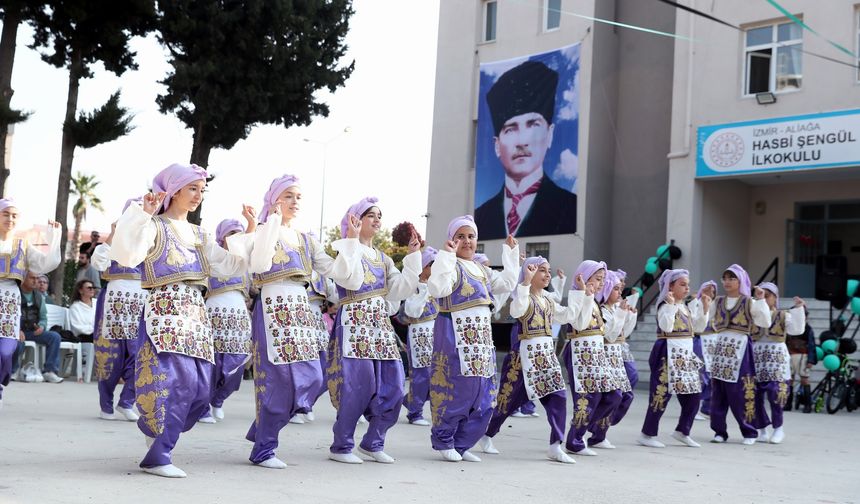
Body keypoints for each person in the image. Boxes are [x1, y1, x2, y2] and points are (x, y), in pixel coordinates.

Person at [109, 163, 247, 478]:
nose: (198, 195)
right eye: (192, 188)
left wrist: (252, 234)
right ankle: (159, 455)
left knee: (199, 389)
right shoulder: (154, 226)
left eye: (201, 190)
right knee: (172, 382)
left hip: (195, 313)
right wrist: (142, 214)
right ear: (174, 191)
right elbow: (127, 256)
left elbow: (230, 265)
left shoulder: (200, 234)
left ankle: (156, 428)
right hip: (163, 309)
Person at [236, 176, 365, 468]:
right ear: (274, 200)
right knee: (277, 382)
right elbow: (258, 266)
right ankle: (264, 449)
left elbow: (339, 273)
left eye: (298, 197)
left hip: (300, 310)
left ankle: (262, 431)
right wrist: (270, 224)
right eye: (288, 196)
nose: (295, 202)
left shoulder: (308, 240)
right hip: (272, 308)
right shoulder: (263, 233)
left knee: (314, 377)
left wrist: (352, 242)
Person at [325, 196, 421, 465]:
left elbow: (399, 289)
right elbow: (347, 278)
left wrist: (413, 257)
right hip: (354, 323)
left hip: (380, 325)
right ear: (355, 220)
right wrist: (352, 242)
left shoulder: (384, 259)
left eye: (379, 215)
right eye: (371, 215)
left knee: (394, 385)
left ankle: (373, 441)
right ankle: (341, 445)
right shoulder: (345, 250)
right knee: (358, 386)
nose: (377, 219)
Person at [426, 215, 518, 462]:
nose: (466, 241)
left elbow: (508, 282)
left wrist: (510, 252)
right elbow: (438, 289)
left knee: (485, 395)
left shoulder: (483, 270)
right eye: (461, 236)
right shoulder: (448, 265)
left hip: (481, 339)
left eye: (471, 236)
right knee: (457, 390)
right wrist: (446, 256)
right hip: (453, 333)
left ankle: (462, 444)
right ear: (452, 240)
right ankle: (444, 439)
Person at [480, 256, 580, 464]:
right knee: (505, 404)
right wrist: (524, 282)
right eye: (541, 270)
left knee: (559, 398)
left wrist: (582, 293)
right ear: (530, 272)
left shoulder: (548, 300)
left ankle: (555, 445)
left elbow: (568, 316)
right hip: (522, 361)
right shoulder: (523, 297)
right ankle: (486, 434)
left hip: (546, 359)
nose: (546, 274)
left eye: (548, 270)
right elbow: (517, 310)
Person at [474, 60, 577, 239]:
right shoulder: (480, 218)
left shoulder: (569, 208)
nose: (522, 141)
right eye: (510, 129)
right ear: (497, 145)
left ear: (550, 134)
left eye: (532, 124)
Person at [638, 269, 710, 448]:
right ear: (670, 286)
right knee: (661, 395)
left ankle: (682, 431)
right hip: (667, 352)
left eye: (688, 285)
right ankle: (647, 434)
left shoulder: (685, 306)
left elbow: (698, 327)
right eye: (682, 284)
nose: (687, 288)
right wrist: (670, 305)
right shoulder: (664, 305)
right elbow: (666, 327)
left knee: (694, 394)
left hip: (685, 354)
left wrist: (706, 309)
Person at [89, 201, 146, 422]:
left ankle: (127, 401)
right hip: (113, 303)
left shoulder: (150, 240)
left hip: (140, 303)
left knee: (140, 355)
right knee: (110, 357)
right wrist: (112, 235)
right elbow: (98, 262)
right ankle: (106, 404)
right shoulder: (115, 240)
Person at [197, 216, 256, 424]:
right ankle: (203, 406)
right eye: (231, 233)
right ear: (222, 237)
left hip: (238, 317)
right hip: (213, 314)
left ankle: (218, 400)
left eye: (238, 233)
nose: (235, 237)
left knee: (237, 365)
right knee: (211, 364)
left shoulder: (246, 263)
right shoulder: (211, 258)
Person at [561, 260, 621, 457]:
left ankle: (578, 430)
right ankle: (575, 440)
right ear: (585, 278)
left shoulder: (595, 301)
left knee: (614, 396)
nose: (601, 283)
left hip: (596, 354)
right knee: (586, 398)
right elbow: (581, 322)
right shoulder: (577, 297)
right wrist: (585, 295)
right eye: (597, 278)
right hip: (581, 352)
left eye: (603, 279)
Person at [708, 265, 770, 445]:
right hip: (720, 351)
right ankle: (719, 431)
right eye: (725, 278)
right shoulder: (717, 301)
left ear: (740, 281)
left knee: (741, 392)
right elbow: (702, 321)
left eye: (732, 278)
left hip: (741, 350)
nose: (727, 282)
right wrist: (701, 301)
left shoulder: (749, 301)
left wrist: (760, 300)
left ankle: (749, 431)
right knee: (718, 392)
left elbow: (764, 321)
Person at [588, 270, 637, 449]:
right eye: (615, 288)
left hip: (616, 357)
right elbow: (609, 335)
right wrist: (621, 315)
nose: (619, 292)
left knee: (625, 396)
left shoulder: (615, 309)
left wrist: (630, 316)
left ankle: (596, 429)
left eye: (620, 288)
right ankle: (595, 432)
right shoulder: (602, 310)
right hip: (606, 357)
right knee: (610, 397)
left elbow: (624, 334)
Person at [751, 282, 805, 444]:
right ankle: (762, 430)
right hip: (757, 356)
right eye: (761, 296)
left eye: (768, 296)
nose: (764, 299)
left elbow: (797, 330)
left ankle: (778, 428)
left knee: (776, 392)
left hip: (777, 358)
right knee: (755, 395)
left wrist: (798, 310)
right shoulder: (753, 316)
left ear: (775, 298)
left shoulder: (783, 315)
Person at [401, 246, 440, 427]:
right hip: (419, 334)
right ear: (424, 267)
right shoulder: (414, 287)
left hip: (435, 335)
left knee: (435, 375)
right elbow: (412, 311)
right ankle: (415, 412)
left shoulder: (435, 287)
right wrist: (423, 291)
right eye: (432, 265)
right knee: (421, 374)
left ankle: (410, 401)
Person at [19, 270, 64, 383]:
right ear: (23, 279)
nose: (36, 281)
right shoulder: (16, 293)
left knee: (55, 337)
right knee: (15, 341)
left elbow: (43, 317)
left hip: (33, 332)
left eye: (36, 278)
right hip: (17, 332)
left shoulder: (38, 296)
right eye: (32, 278)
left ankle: (49, 371)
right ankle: (13, 370)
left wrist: (42, 327)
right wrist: (17, 330)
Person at [690, 280, 717, 420]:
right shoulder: (696, 302)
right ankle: (694, 406)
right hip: (700, 341)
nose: (710, 293)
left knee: (712, 375)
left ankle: (706, 408)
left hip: (713, 342)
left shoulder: (716, 305)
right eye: (707, 290)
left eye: (712, 291)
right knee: (700, 374)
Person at [787, 306, 816, 413]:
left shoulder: (807, 328)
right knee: (790, 380)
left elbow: (811, 345)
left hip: (803, 355)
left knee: (804, 380)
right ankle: (788, 403)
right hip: (790, 354)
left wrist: (810, 360)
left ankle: (808, 405)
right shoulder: (789, 327)